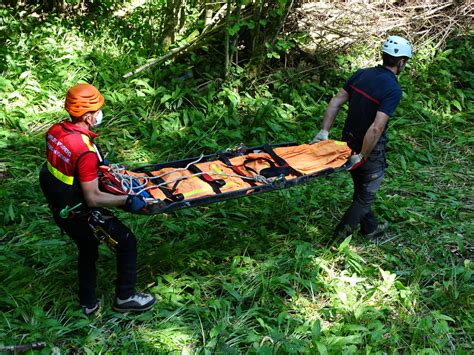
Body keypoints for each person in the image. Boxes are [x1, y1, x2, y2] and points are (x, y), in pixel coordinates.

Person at [39, 83, 156, 315]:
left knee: (88, 248)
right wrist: (126, 200)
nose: (101, 114)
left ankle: (88, 303)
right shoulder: (85, 151)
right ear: (89, 116)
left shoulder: (55, 131)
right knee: (126, 243)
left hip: (60, 205)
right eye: (98, 110)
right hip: (79, 210)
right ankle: (126, 297)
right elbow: (93, 198)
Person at [311, 35, 412, 239]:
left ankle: (370, 228)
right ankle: (336, 241)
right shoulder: (393, 89)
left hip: (347, 143)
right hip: (369, 150)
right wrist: (363, 155)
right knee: (365, 197)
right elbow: (376, 128)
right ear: (401, 62)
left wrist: (324, 131)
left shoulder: (362, 74)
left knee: (362, 189)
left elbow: (335, 102)